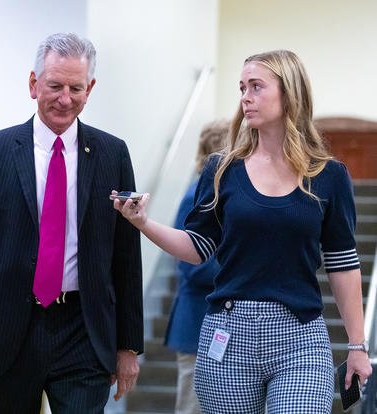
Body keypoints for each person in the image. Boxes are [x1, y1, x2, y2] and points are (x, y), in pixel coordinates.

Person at [114, 49, 372, 413]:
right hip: (229, 336)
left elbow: (343, 263)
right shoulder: (222, 169)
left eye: (256, 87)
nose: (245, 98)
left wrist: (357, 345)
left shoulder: (328, 176)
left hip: (300, 337)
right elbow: (198, 247)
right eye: (241, 88)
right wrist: (143, 223)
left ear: (289, 93)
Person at [0, 32, 143, 413]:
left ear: (90, 88)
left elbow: (127, 257)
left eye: (76, 88)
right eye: (55, 85)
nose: (65, 98)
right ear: (33, 84)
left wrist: (129, 346)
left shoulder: (113, 153)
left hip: (84, 328)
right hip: (9, 328)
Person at [165, 120, 227, 414]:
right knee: (192, 408)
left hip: (220, 326)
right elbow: (194, 264)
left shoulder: (224, 194)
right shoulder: (195, 195)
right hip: (198, 327)